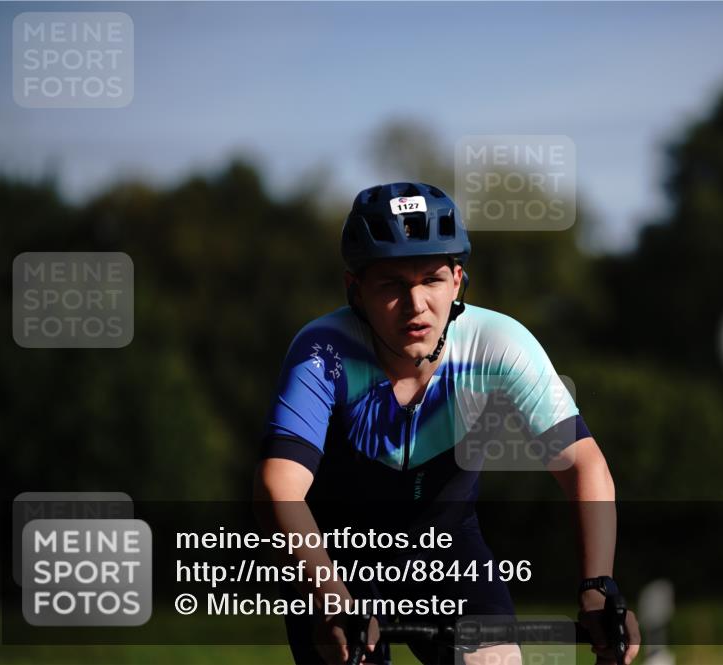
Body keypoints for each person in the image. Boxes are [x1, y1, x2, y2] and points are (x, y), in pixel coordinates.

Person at [254, 182, 640, 665]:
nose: (416, 304)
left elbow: (583, 463)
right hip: (336, 558)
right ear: (356, 290)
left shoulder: (498, 345)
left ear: (458, 280)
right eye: (392, 284)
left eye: (431, 279)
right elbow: (278, 487)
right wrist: (332, 597)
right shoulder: (322, 351)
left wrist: (597, 585)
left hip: (450, 552)